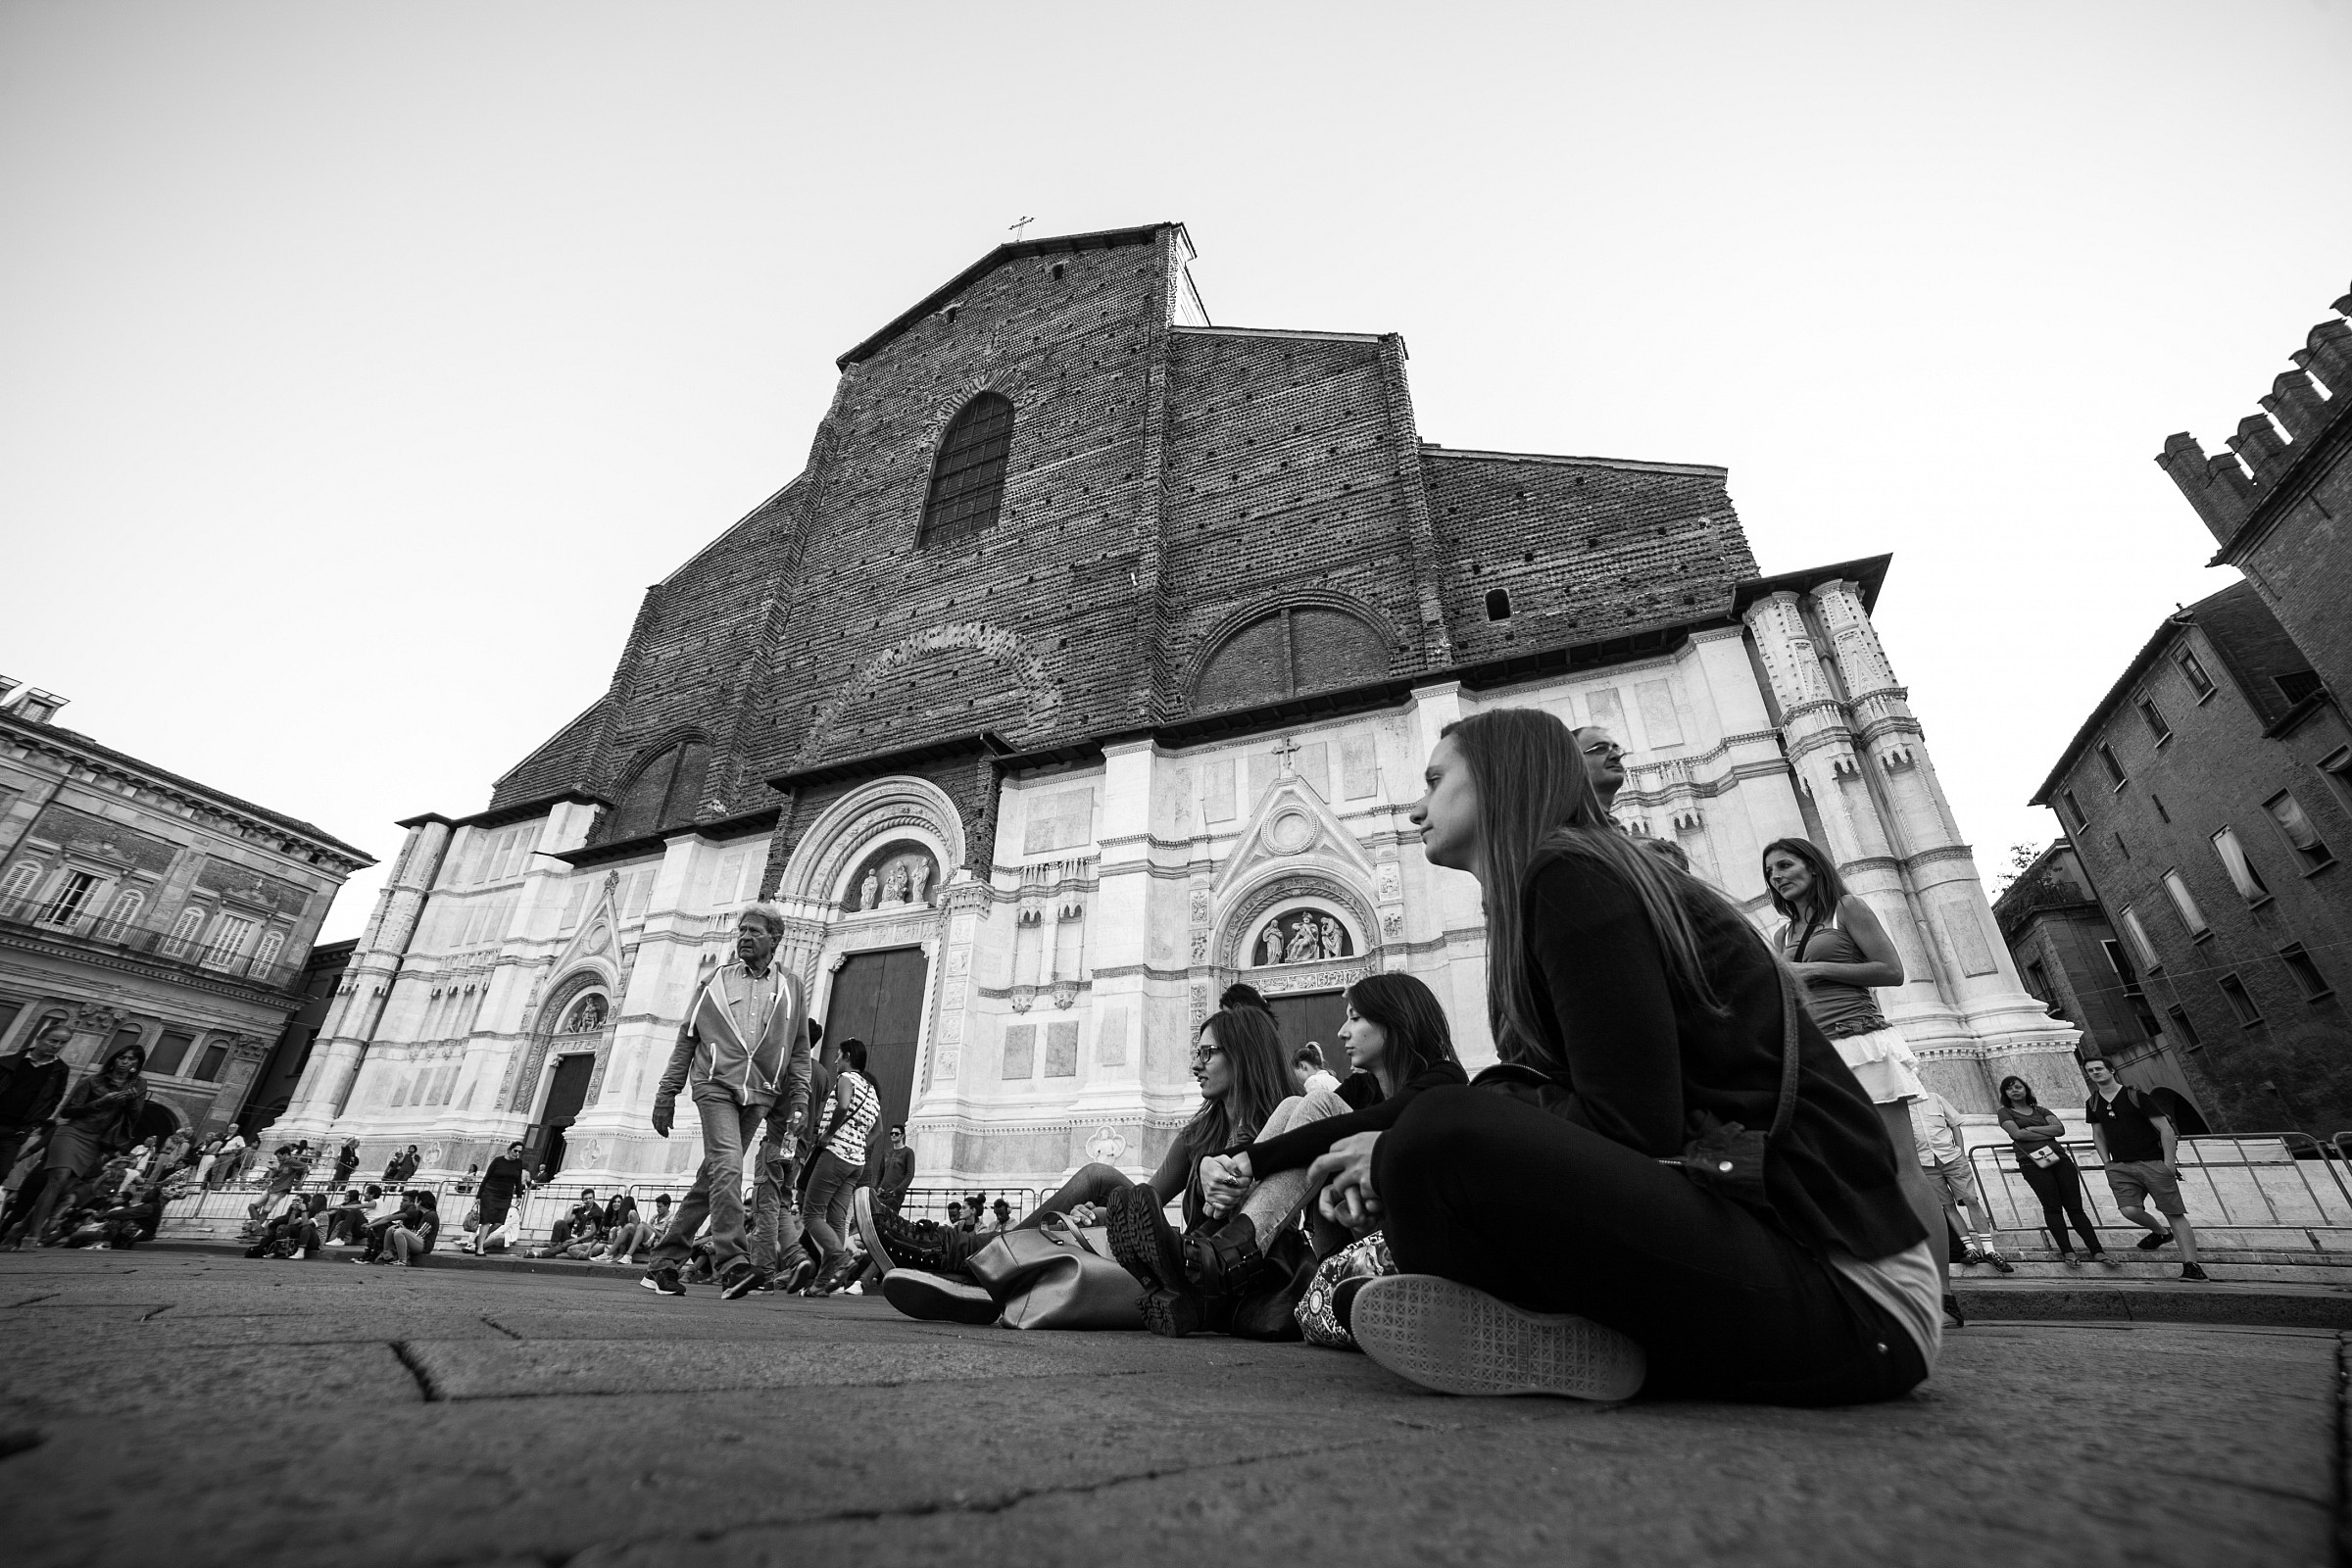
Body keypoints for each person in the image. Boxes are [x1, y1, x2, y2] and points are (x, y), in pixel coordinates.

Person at [1310, 708, 1934, 1405]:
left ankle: (1552, 1326)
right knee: (1419, 1155)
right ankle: (1570, 1340)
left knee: (1435, 1128)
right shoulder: (1559, 883)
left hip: (1850, 1301)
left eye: (1434, 779)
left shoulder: (1570, 875)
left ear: (1496, 778)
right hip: (1780, 1282)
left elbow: (1632, 1122)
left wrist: (1398, 1152)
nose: (1417, 807)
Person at [866, 1004, 1306, 1331]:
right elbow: (1147, 1201)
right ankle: (964, 1257)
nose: (1195, 1063)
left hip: (1204, 1264)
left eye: (1208, 1052)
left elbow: (1259, 1215)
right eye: (1197, 1051)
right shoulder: (1199, 1133)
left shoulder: (1283, 1125)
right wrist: (1098, 1215)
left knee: (1094, 1230)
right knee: (1096, 1179)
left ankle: (959, 1258)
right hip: (1178, 1251)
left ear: (1244, 1056)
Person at [1762, 836, 1953, 1323]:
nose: (1778, 876)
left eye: (1785, 865)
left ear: (1812, 865)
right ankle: (1877, 1285)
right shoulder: (1784, 932)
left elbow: (1892, 971)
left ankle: (1941, 1293)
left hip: (1863, 1042)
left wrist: (1814, 968)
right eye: (1770, 872)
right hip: (1819, 1054)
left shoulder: (1846, 908)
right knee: (1836, 1170)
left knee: (1901, 1166)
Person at [1196, 972, 1468, 1304]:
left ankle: (1221, 1252)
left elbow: (1376, 1120)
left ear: (1395, 1021)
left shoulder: (1444, 1079)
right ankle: (1212, 1248)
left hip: (1410, 1249)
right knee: (1294, 1106)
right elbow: (1307, 1134)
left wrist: (1249, 1159)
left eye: (1354, 1018)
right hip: (1345, 1247)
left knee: (1318, 1104)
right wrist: (1215, 1163)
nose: (1342, 1031)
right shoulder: (1361, 1088)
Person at [642, 905, 813, 1300]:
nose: (745, 937)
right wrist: (666, 1093)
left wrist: (800, 1098)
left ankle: (662, 1264)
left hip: (759, 1094)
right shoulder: (715, 981)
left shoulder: (792, 986)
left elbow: (800, 1049)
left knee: (713, 1177)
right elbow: (688, 1038)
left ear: (775, 939)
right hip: (714, 1085)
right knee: (729, 1165)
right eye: (741, 931)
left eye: (754, 931)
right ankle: (733, 1263)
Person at [8, 1041, 150, 1248]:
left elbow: (134, 1117)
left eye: (131, 1059)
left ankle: (18, 1229)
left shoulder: (137, 1085)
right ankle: (32, 1235)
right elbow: (68, 1111)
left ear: (137, 1064)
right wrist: (102, 1101)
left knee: (64, 1189)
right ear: (114, 1059)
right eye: (122, 1057)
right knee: (57, 1180)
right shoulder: (93, 1081)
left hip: (98, 1140)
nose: (125, 1062)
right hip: (73, 1132)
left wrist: (131, 1100)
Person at [2083, 1055, 2206, 1281]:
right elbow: (2098, 1133)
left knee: (2173, 1213)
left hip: (2152, 1162)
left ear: (2111, 1070)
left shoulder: (2137, 1095)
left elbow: (2166, 1130)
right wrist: (2107, 1162)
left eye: (2099, 1069)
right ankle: (2161, 1233)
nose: (2095, 1073)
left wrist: (2169, 1163)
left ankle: (2192, 1265)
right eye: (2090, 1070)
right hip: (2120, 1166)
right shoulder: (2092, 1102)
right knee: (2129, 1210)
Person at [1994, 1075, 2107, 1265]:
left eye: (2019, 1087)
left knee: (2075, 1207)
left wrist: (2030, 1129)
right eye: (2010, 1088)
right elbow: (2016, 1134)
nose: (2015, 1090)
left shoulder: (2041, 1110)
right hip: (2032, 1162)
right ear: (2005, 1093)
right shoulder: (2005, 1112)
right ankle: (2068, 1251)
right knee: (2052, 1207)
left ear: (2026, 1089)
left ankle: (2097, 1250)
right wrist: (2043, 1129)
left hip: (2060, 1158)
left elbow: (2060, 1130)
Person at [804, 1038, 881, 1292]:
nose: (835, 1060)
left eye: (838, 1055)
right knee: (837, 1219)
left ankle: (839, 1257)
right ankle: (824, 1282)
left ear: (847, 1056)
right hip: (855, 1162)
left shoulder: (846, 1079)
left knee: (812, 1214)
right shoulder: (870, 1089)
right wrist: (858, 1144)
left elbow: (844, 1105)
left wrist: (829, 1135)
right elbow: (878, 1130)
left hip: (835, 1155)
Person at [1909, 1090, 2012, 1273]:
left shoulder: (1934, 1098)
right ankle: (1970, 1248)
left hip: (1952, 1158)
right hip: (1926, 1163)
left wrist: (1961, 1153)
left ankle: (1989, 1250)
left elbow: (1954, 1124)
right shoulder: (1899, 1107)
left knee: (1971, 1200)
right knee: (1947, 1206)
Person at [0, 1023, 72, 1191]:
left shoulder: (60, 1070)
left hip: (15, 1131)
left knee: (3, 1171)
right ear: (39, 1038)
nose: (56, 1046)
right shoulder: (8, 1063)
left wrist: (34, 1125)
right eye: (53, 1041)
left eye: (62, 1043)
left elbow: (54, 1100)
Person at [466, 1141, 530, 1253]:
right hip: (490, 1192)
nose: (517, 1154)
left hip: (505, 1195)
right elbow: (486, 1178)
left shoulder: (518, 1163)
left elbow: (518, 1180)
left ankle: (481, 1237)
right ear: (509, 1150)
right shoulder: (498, 1160)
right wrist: (479, 1196)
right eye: (515, 1151)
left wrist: (519, 1195)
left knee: (499, 1222)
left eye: (519, 1152)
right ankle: (480, 1249)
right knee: (487, 1220)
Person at [1571, 724, 1628, 814]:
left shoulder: (1611, 827)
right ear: (1573, 762)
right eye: (1601, 748)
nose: (1616, 756)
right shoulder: (1561, 826)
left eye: (1616, 749)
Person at [875, 1124, 915, 1212]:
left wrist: (898, 1190)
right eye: (891, 1133)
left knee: (889, 1220)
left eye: (896, 1133)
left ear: (903, 1136)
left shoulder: (908, 1152)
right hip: (882, 1193)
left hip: (895, 1196)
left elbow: (910, 1174)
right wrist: (876, 1187)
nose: (893, 1135)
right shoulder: (886, 1152)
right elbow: (880, 1171)